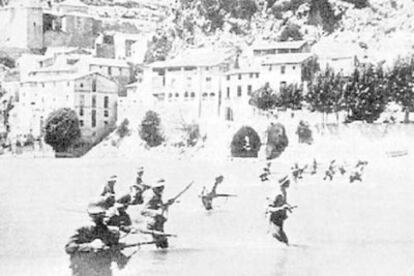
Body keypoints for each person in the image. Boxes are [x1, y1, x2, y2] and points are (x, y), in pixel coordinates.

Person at [65, 197, 130, 276]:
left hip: (103, 270)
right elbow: (69, 248)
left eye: (101, 214)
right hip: (83, 270)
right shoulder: (82, 229)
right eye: (95, 214)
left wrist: (119, 256)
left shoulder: (107, 230)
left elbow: (109, 248)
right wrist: (90, 246)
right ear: (89, 213)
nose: (98, 217)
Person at [142, 179, 171, 248]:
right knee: (156, 245)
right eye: (159, 188)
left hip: (159, 223)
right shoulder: (150, 196)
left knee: (164, 246)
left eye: (162, 187)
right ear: (155, 188)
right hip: (153, 224)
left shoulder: (158, 195)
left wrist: (167, 204)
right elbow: (143, 211)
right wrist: (156, 213)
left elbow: (160, 207)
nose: (161, 189)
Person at [266, 175, 295, 245]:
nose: (290, 183)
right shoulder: (277, 194)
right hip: (274, 219)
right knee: (280, 238)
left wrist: (289, 207)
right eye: (288, 181)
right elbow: (268, 208)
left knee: (284, 240)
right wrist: (281, 208)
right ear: (284, 183)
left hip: (280, 218)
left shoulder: (284, 192)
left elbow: (283, 202)